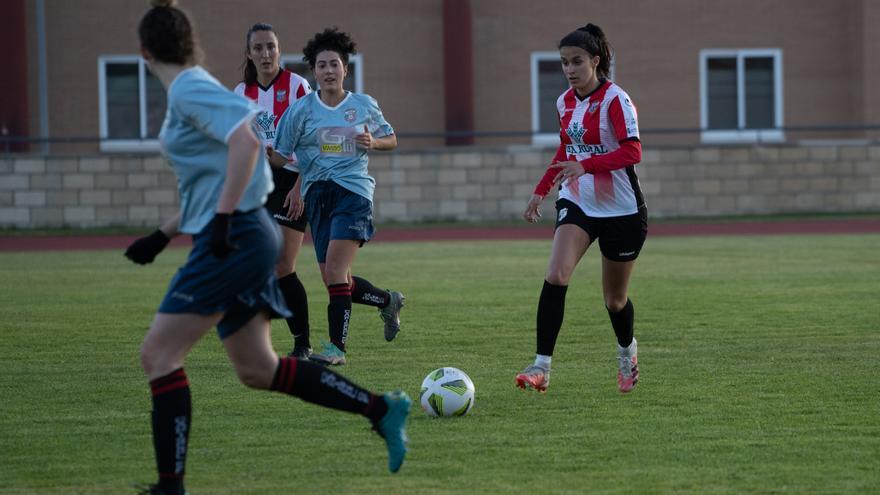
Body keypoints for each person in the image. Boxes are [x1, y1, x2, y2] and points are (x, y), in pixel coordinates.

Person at [124, 3, 410, 493]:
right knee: (259, 370)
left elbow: (246, 142)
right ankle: (380, 408)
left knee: (159, 354)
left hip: (234, 235)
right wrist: (166, 232)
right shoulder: (200, 89)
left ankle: (169, 486)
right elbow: (231, 161)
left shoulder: (190, 88)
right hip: (244, 230)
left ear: (145, 51)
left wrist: (221, 219)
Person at [515, 23, 647, 394]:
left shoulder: (616, 100)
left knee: (614, 300)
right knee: (556, 274)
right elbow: (565, 151)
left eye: (576, 62)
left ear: (596, 60)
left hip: (621, 210)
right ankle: (541, 367)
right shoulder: (564, 102)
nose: (570, 70)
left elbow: (632, 151)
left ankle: (627, 353)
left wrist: (586, 164)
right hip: (578, 202)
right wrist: (540, 191)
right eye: (563, 63)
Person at [271, 27, 404, 366]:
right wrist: (253, 150)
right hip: (318, 197)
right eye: (321, 65)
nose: (328, 71)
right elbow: (280, 156)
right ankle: (388, 301)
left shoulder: (362, 105)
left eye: (334, 64)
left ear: (345, 68)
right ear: (313, 72)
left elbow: (391, 139)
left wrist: (374, 143)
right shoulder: (300, 111)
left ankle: (337, 349)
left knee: (333, 270)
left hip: (353, 194)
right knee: (336, 278)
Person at [233, 23, 313, 359]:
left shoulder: (297, 87)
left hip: (293, 180)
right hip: (256, 183)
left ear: (279, 50)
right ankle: (260, 337)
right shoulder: (241, 93)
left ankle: (302, 344)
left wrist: (299, 187)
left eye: (271, 46)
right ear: (249, 53)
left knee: (283, 264)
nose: (266, 54)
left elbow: (314, 140)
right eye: (259, 48)